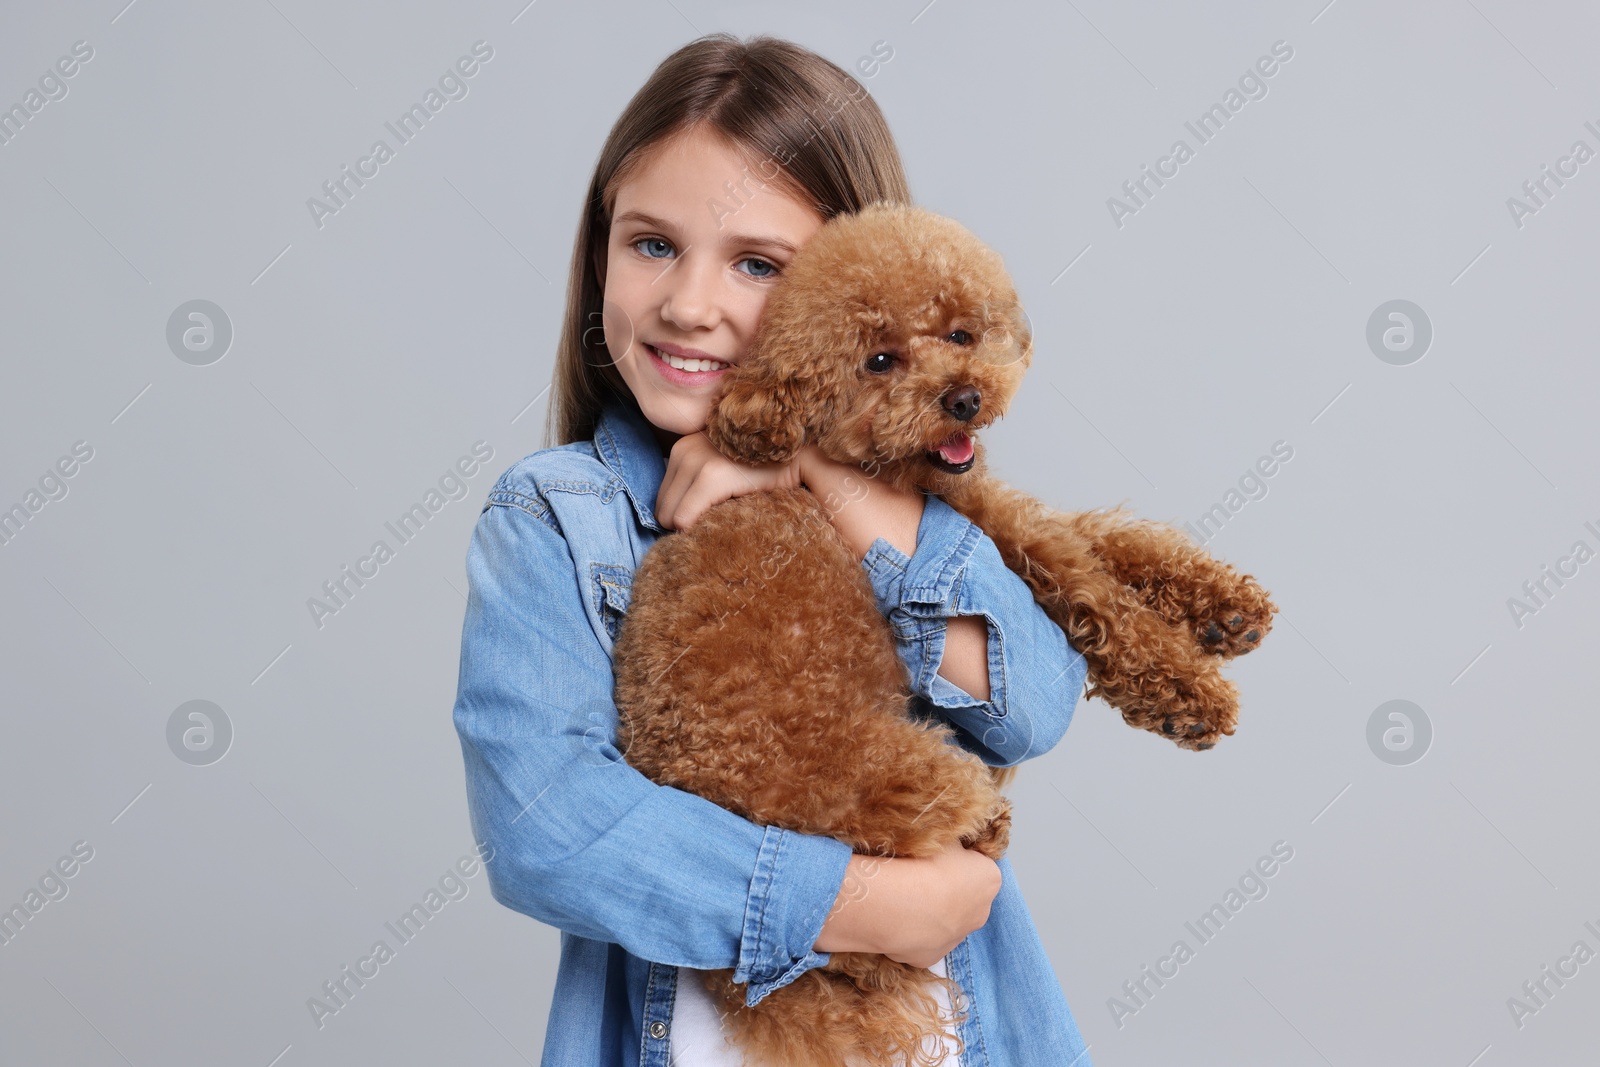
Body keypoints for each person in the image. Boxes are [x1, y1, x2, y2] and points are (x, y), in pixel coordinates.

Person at [451, 32, 1093, 1067]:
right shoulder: (558, 518)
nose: (688, 303)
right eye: (650, 243)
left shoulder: (909, 508)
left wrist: (828, 481)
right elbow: (547, 826)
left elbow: (1031, 704)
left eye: (756, 263)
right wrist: (866, 901)